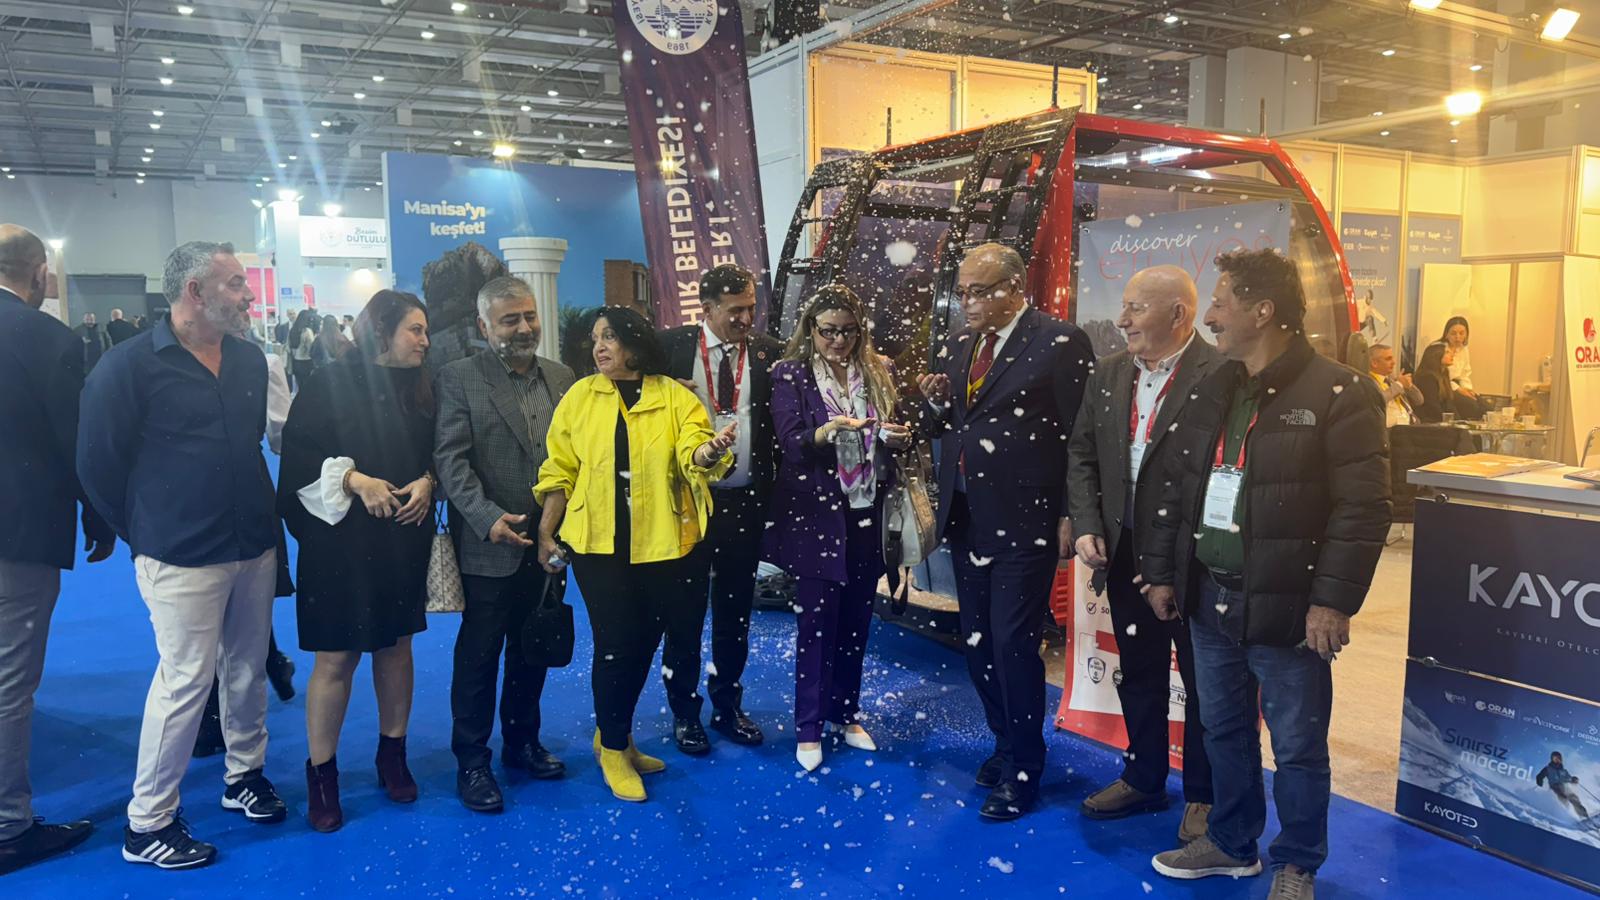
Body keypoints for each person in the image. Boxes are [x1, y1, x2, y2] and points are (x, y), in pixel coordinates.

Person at [1140, 249, 1390, 899]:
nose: (1211, 317)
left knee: (1298, 746)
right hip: (1208, 598)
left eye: (1221, 303)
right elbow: (1178, 486)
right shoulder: (1212, 386)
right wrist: (1164, 573)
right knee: (1223, 730)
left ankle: (1298, 862)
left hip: (1289, 606)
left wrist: (1331, 602)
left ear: (1263, 311)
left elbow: (1363, 509)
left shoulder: (1340, 392)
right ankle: (1232, 843)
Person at [78, 241, 285, 870]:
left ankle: (243, 776)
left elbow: (253, 443)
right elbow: (97, 465)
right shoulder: (126, 367)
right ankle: (147, 823)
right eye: (236, 284)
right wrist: (149, 533)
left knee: (247, 668)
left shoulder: (249, 360)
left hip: (252, 541)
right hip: (179, 552)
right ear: (195, 292)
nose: (248, 295)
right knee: (185, 681)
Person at [915, 242, 1094, 821]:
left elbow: (1081, 436)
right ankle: (1005, 741)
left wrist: (1072, 513)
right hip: (966, 515)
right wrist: (932, 404)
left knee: (1012, 644)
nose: (966, 302)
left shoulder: (1060, 342)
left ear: (1015, 288)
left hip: (1027, 518)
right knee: (977, 642)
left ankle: (1023, 768)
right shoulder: (959, 344)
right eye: (962, 292)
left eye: (979, 291)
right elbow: (953, 426)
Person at [533, 307, 736, 803]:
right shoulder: (580, 396)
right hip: (598, 546)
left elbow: (694, 452)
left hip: (663, 543)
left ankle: (616, 736)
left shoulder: (674, 397)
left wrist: (709, 452)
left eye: (610, 338)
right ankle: (613, 749)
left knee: (644, 643)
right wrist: (546, 530)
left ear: (636, 344)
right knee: (615, 644)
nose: (599, 347)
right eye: (595, 339)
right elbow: (560, 467)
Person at [1065, 265, 1222, 843]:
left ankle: (1204, 794)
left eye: (1136, 308)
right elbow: (1082, 454)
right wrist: (1087, 521)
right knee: (1140, 668)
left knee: (1205, 680)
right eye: (1124, 307)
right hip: (1125, 547)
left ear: (1178, 314)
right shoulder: (1108, 373)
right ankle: (1144, 775)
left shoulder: (1221, 375)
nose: (1123, 319)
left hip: (1191, 556)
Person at [278, 290, 437, 833]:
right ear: (383, 330)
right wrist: (354, 479)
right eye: (415, 329)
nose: (424, 341)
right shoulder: (327, 384)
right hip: (339, 543)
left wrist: (428, 481)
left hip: (401, 537)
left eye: (425, 330)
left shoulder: (423, 388)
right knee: (336, 658)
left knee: (396, 648)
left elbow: (439, 451)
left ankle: (393, 754)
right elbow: (298, 458)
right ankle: (322, 775)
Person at [434, 276, 577, 814]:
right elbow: (451, 458)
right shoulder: (459, 378)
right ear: (483, 325)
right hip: (489, 542)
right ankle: (472, 761)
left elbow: (573, 454)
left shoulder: (562, 377)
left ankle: (522, 742)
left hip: (550, 540)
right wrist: (486, 517)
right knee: (479, 654)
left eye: (529, 316)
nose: (523, 328)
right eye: (509, 320)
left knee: (532, 644)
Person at [0, 225, 115, 875]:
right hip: (16, 533)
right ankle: (7, 827)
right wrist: (100, 515)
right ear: (39, 273)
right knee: (9, 684)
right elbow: (76, 441)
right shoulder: (46, 338)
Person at [765, 285, 911, 772]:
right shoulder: (790, 373)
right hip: (816, 514)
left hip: (866, 509)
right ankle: (808, 726)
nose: (838, 341)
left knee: (856, 621)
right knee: (815, 625)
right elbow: (790, 442)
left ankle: (845, 713)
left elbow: (893, 429)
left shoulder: (878, 369)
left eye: (848, 331)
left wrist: (894, 436)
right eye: (828, 331)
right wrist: (824, 433)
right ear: (810, 328)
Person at [657, 264, 781, 754]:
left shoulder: (770, 353)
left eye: (751, 308)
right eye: (735, 310)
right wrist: (662, 391)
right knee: (683, 613)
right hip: (686, 501)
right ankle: (685, 713)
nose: (745, 318)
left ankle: (727, 705)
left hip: (745, 501)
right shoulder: (668, 350)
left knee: (735, 613)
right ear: (706, 308)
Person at [1369, 344, 1421, 428]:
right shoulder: (1368, 381)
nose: (1394, 362)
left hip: (1410, 426)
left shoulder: (1392, 380)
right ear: (1374, 363)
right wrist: (1399, 385)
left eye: (1392, 358)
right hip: (1390, 430)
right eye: (1388, 359)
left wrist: (1409, 385)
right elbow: (1379, 400)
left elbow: (1419, 400)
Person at [1536, 752, 1591, 821]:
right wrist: (1540, 784)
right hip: (1555, 787)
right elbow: (1539, 776)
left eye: (1558, 758)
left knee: (1574, 798)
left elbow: (1569, 778)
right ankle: (1565, 817)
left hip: (1564, 786)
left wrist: (1573, 779)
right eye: (1555, 758)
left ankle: (1584, 816)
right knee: (1563, 798)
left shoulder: (1563, 771)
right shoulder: (1548, 769)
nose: (1557, 760)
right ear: (1552, 759)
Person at [1413, 343, 1455, 424]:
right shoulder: (1426, 377)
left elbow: (1449, 403)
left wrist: (1457, 421)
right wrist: (1447, 422)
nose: (1452, 355)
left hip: (1441, 420)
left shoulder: (1444, 373)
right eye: (1447, 352)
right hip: (1428, 421)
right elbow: (1432, 406)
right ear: (1436, 355)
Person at [288, 309, 319, 390]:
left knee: (300, 387)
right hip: (306, 362)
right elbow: (311, 349)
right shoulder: (307, 331)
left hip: (295, 362)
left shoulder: (292, 330)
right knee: (308, 388)